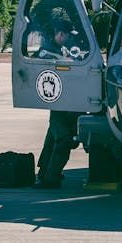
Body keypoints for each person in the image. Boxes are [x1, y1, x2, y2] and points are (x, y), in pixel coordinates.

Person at [33, 21, 82, 188]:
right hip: (59, 103)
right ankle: (51, 177)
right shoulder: (47, 50)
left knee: (53, 136)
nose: (68, 38)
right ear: (60, 33)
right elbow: (40, 61)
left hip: (65, 102)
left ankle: (45, 171)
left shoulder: (61, 48)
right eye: (67, 35)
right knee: (63, 139)